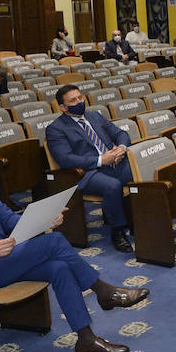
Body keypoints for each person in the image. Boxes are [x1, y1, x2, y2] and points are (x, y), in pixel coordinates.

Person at [0, 137, 146, 352]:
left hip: (6, 258)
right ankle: (104, 292)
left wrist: (44, 222)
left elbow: (6, 218)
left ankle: (86, 340)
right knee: (54, 243)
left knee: (59, 267)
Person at [45, 85, 134, 253]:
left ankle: (139, 219)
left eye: (80, 98)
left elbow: (121, 133)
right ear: (63, 107)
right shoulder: (55, 129)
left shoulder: (94, 116)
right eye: (73, 100)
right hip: (85, 173)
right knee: (112, 186)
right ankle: (118, 231)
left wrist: (121, 148)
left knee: (140, 171)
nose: (79, 102)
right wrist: (101, 160)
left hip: (114, 162)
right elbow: (66, 159)